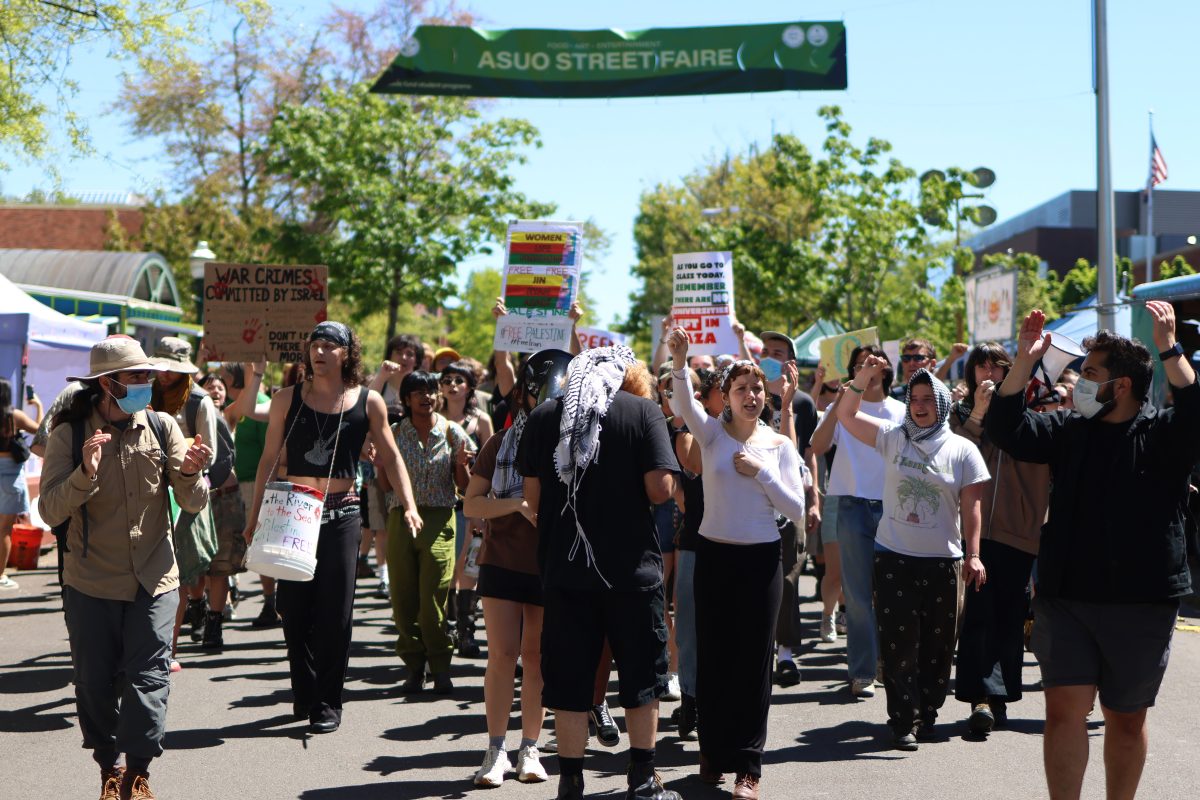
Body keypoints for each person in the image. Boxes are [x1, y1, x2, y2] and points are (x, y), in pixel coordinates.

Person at [986, 305, 1198, 800]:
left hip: (1142, 601)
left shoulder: (1164, 435)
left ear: (1120, 386)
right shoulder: (1067, 430)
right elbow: (1005, 426)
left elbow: (1197, 407)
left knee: (1125, 719)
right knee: (1062, 709)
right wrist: (1024, 360)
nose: (1080, 382)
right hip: (1067, 596)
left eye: (1091, 374)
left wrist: (1169, 348)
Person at [39, 336, 212, 800]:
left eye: (147, 374)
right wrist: (86, 475)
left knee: (150, 679)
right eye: (136, 376)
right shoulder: (68, 435)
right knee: (95, 683)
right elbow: (50, 511)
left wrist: (194, 473)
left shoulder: (163, 426)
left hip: (154, 578)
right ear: (107, 383)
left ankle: (138, 773)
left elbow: (193, 502)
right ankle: (108, 767)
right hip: (91, 581)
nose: (147, 382)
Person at [517, 344, 680, 800]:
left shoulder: (546, 418)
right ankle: (643, 780)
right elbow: (661, 489)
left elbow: (532, 499)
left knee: (568, 680)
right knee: (641, 676)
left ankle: (570, 783)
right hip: (631, 571)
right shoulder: (643, 412)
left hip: (565, 572)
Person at [242, 322, 421, 734]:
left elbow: (392, 458)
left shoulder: (368, 401)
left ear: (346, 354)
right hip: (293, 511)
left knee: (335, 613)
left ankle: (327, 702)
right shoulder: (288, 398)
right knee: (294, 610)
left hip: (342, 512)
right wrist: (255, 520)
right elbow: (269, 460)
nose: (318, 351)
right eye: (314, 344)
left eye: (328, 345)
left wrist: (407, 504)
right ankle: (303, 690)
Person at [667, 330, 808, 800]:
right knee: (714, 658)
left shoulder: (778, 446)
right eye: (741, 389)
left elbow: (795, 507)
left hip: (760, 562)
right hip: (714, 556)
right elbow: (684, 402)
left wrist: (762, 472)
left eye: (757, 390)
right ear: (725, 397)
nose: (751, 395)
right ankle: (712, 753)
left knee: (752, 664)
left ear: (766, 398)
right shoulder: (710, 435)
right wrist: (680, 358)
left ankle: (749, 767)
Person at [837, 355, 989, 750]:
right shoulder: (892, 435)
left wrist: (973, 555)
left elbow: (972, 507)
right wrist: (863, 378)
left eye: (927, 398)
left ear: (940, 404)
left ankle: (928, 712)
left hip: (944, 562)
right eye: (914, 398)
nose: (920, 405)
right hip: (894, 559)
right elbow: (847, 416)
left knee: (938, 649)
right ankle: (902, 719)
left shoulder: (962, 449)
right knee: (899, 645)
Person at [462, 349, 573, 787]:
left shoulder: (573, 447)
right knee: (502, 656)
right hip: (503, 562)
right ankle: (495, 749)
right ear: (525, 397)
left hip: (549, 565)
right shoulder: (499, 442)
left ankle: (531, 748)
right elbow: (471, 503)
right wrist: (516, 505)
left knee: (536, 659)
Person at [949, 343, 1050, 735]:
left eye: (997, 366)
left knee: (1009, 617)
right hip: (973, 532)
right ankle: (980, 699)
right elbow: (957, 459)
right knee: (977, 615)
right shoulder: (961, 415)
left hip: (1020, 532)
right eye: (981, 366)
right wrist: (976, 413)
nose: (988, 372)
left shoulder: (1032, 414)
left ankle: (999, 698)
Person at [810, 345, 906, 698]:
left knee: (892, 592)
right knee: (858, 594)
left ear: (886, 370)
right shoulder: (841, 407)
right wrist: (838, 405)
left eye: (874, 363)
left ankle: (890, 664)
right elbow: (817, 446)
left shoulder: (901, 411)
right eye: (860, 365)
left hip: (894, 506)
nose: (867, 368)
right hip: (850, 505)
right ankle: (863, 670)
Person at [388, 370, 474, 695]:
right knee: (403, 599)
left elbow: (465, 488)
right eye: (418, 392)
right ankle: (413, 666)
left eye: (431, 391)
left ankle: (440, 665)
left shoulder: (454, 433)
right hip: (401, 519)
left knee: (434, 599)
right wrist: (380, 466)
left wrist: (461, 465)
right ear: (407, 399)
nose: (426, 397)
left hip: (440, 519)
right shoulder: (394, 433)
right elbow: (384, 486)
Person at [151, 338, 220, 666]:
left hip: (185, 497)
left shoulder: (198, 401)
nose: (164, 374)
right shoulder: (144, 391)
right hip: (148, 493)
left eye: (171, 369)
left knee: (176, 577)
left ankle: (171, 650)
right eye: (160, 367)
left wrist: (186, 462)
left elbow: (212, 455)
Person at [757, 329, 820, 686]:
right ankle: (760, 650)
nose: (768, 356)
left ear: (790, 361)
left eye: (777, 352)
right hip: (753, 504)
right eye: (764, 350)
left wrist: (813, 503)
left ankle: (785, 654)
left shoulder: (804, 403)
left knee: (789, 577)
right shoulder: (747, 393)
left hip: (790, 501)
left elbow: (805, 457)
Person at [440, 359, 494, 658]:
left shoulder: (481, 421)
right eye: (447, 380)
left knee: (469, 566)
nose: (452, 385)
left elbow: (493, 462)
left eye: (459, 381)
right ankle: (447, 625)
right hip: (439, 501)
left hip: (470, 502)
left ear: (470, 387)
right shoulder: (433, 418)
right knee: (446, 569)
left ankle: (466, 630)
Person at [0, 378, 42, 589]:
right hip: (10, 479)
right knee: (4, 530)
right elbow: (41, 431)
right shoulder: (14, 416)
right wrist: (39, 406)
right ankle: (0, 576)